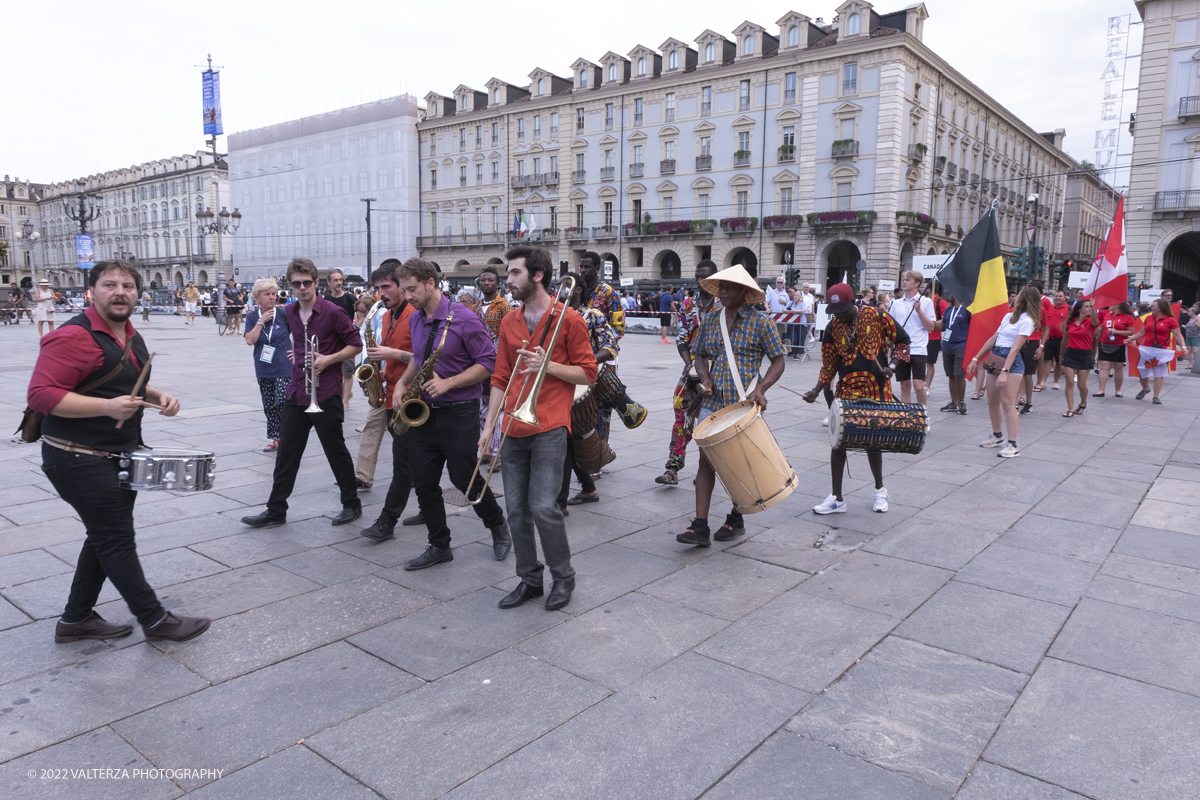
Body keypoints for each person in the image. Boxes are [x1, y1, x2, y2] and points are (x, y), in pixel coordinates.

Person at [27, 260, 209, 644]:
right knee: (115, 538)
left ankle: (75, 621)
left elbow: (129, 381)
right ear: (91, 292)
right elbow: (41, 396)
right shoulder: (73, 336)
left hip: (115, 455)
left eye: (127, 285)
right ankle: (155, 620)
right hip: (76, 456)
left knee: (103, 536)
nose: (120, 291)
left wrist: (159, 396)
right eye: (110, 284)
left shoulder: (128, 334)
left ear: (137, 293)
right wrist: (106, 408)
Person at [480, 247, 596, 610]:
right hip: (513, 426)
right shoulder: (510, 322)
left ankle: (563, 578)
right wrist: (488, 428)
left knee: (544, 507)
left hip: (548, 426)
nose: (507, 281)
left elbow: (588, 373)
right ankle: (529, 578)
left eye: (514, 274)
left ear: (537, 276)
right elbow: (499, 376)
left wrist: (549, 366)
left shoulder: (569, 319)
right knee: (515, 509)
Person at [394, 257, 510, 570]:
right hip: (424, 412)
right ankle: (439, 545)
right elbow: (420, 358)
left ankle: (498, 525)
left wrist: (450, 383)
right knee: (424, 480)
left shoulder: (464, 318)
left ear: (430, 283)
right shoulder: (416, 319)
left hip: (459, 413)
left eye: (412, 289)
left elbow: (488, 363)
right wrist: (402, 384)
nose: (407, 296)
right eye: (404, 290)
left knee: (464, 478)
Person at [241, 259, 364, 529]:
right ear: (290, 285)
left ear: (316, 283)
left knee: (335, 450)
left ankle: (351, 504)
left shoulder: (332, 312)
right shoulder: (290, 311)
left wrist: (328, 358)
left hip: (326, 391)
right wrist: (295, 353)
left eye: (307, 282)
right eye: (296, 283)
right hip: (297, 389)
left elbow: (355, 344)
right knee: (287, 452)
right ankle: (276, 510)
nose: (302, 287)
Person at [677, 265, 786, 546]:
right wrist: (704, 377)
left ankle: (736, 517)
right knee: (706, 460)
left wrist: (761, 389)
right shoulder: (712, 318)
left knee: (742, 460)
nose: (723, 292)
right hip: (713, 402)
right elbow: (699, 354)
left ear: (744, 292)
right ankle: (700, 525)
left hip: (743, 401)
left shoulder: (761, 322)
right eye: (721, 287)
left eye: (730, 288)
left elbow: (778, 361)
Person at [802, 282, 907, 513]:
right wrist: (816, 390)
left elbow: (903, 342)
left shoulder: (878, 316)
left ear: (853, 302)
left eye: (842, 311)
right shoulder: (832, 327)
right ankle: (837, 498)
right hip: (846, 390)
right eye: (834, 312)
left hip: (876, 389)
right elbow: (830, 364)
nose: (838, 316)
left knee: (873, 441)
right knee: (838, 442)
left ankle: (880, 490)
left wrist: (892, 366)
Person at [359, 260, 417, 541]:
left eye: (386, 286)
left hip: (411, 397)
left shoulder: (415, 315)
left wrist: (391, 353)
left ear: (402, 285)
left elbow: (423, 357)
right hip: (389, 395)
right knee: (412, 463)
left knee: (404, 463)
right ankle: (430, 510)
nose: (381, 293)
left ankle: (387, 520)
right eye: (378, 287)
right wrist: (382, 370)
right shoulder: (384, 316)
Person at [558, 272, 621, 510]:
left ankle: (560, 501)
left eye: (566, 286)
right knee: (570, 441)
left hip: (584, 386)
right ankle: (588, 488)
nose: (561, 291)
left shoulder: (592, 315)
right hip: (560, 383)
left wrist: (584, 364)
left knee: (567, 439)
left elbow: (610, 346)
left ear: (577, 290)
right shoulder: (553, 315)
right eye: (559, 286)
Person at [657, 261, 719, 486]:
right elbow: (682, 338)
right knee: (681, 416)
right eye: (697, 276)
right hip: (692, 370)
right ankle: (673, 468)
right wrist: (690, 366)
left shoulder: (723, 304)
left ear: (715, 277)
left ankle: (707, 471)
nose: (700, 281)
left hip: (719, 372)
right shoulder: (688, 304)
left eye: (705, 276)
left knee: (713, 421)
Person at [970, 284, 1039, 457]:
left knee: (1008, 404)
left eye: (1020, 294)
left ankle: (1013, 444)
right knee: (992, 401)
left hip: (1011, 363)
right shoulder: (1008, 316)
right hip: (996, 357)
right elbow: (994, 338)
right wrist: (976, 358)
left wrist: (1004, 372)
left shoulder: (1027, 321)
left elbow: (1015, 349)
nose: (1015, 297)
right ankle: (997, 435)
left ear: (1025, 298)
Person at [244, 278, 293, 452]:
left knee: (282, 401)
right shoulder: (252, 317)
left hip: (284, 366)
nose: (272, 297)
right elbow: (250, 340)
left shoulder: (284, 314)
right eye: (267, 294)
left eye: (274, 294)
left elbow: (302, 333)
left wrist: (298, 352)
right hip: (264, 368)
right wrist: (261, 321)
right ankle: (277, 439)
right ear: (258, 297)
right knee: (269, 404)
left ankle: (288, 437)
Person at [476, 266, 512, 462]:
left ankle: (497, 453)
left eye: (490, 280)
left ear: (498, 284)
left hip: (498, 362)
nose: (486, 283)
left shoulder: (504, 306)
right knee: (482, 407)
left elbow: (509, 335)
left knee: (497, 409)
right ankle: (486, 447)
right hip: (480, 362)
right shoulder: (474, 307)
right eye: (483, 280)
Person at [887, 271, 935, 405]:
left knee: (919, 386)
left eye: (908, 280)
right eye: (903, 279)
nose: (904, 282)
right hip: (901, 349)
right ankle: (905, 417)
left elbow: (930, 327)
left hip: (918, 349)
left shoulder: (925, 302)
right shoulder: (896, 304)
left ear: (917, 283)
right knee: (904, 386)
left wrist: (919, 311)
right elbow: (890, 326)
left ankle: (922, 414)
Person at [1128, 297, 1187, 404]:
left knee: (1159, 373)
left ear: (1160, 308)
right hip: (1147, 349)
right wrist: (1131, 338)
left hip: (1162, 350)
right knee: (1142, 372)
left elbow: (1178, 335)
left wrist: (1183, 347)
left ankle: (1156, 396)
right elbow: (1142, 333)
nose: (1151, 307)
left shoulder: (1171, 320)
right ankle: (1145, 388)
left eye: (1154, 306)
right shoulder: (1149, 318)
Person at [1060, 298, 1100, 417]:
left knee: (1081, 385)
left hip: (1085, 354)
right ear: (1080, 309)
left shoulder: (1091, 322)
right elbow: (1065, 338)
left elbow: (1095, 320)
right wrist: (1061, 354)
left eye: (1090, 306)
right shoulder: (1071, 321)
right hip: (1070, 353)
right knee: (1069, 382)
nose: (1089, 308)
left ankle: (1083, 403)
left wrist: (1094, 307)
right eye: (1086, 306)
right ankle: (1070, 409)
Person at [936, 292, 970, 414]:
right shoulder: (949, 310)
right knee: (950, 374)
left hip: (961, 345)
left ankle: (961, 402)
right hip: (947, 345)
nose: (948, 294)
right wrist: (933, 323)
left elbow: (973, 327)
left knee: (959, 374)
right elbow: (944, 327)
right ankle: (953, 402)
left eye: (950, 292)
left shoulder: (967, 310)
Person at [1095, 302, 1136, 397]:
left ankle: (1118, 390)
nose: (1109, 305)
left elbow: (1131, 331)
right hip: (1104, 342)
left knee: (1118, 367)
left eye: (1111, 303)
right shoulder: (1106, 315)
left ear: (1117, 305)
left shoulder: (1128, 317)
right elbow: (1102, 326)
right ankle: (1101, 390)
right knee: (1104, 366)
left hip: (1119, 344)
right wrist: (1100, 329)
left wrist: (1117, 332)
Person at [1035, 290, 1069, 391]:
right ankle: (1043, 381)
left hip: (1062, 339)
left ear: (1064, 298)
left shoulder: (1069, 309)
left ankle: (1056, 382)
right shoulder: (1049, 308)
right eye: (1056, 296)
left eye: (1060, 296)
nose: (1057, 298)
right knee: (1046, 360)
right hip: (1049, 338)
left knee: (1059, 361)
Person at [1185, 304, 1200, 370]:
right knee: (1189, 351)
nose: (1188, 312)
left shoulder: (1198, 319)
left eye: (1189, 311)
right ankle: (1190, 364)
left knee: (1195, 350)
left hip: (1195, 336)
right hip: (1188, 336)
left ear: (1193, 312)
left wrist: (1198, 325)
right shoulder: (1190, 319)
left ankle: (1197, 364)